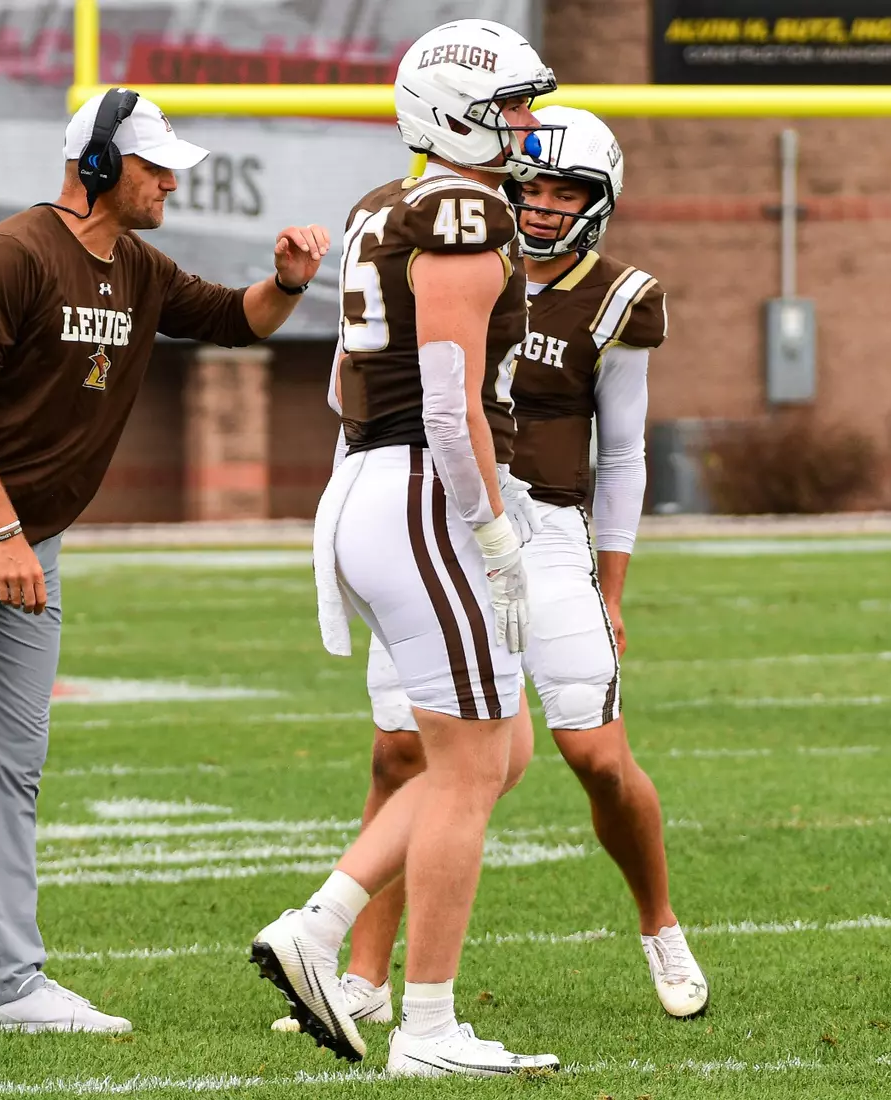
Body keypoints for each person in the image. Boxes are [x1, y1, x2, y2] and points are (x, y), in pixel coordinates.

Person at [0, 88, 330, 1047]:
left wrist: (285, 283)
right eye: (155, 167)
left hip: (27, 540)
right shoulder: (10, 256)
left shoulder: (137, 266)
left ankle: (10, 986)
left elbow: (232, 319)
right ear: (99, 167)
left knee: (16, 765)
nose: (170, 183)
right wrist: (1, 533)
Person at [274, 106, 709, 1040]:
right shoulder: (456, 244)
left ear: (598, 203)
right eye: (534, 186)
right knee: (408, 753)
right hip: (442, 516)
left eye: (566, 192)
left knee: (593, 756)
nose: (544, 205)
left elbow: (622, 455)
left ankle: (660, 925)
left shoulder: (617, 296)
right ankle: (363, 977)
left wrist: (613, 587)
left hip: (540, 528)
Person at [249, 19, 565, 1078]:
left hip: (374, 485)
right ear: (456, 113)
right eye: (511, 107)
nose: (527, 125)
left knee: (498, 751)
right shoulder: (466, 211)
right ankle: (427, 1027)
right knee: (471, 767)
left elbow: (351, 383)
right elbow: (445, 401)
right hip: (425, 490)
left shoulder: (385, 203)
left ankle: (323, 922)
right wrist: (493, 528)